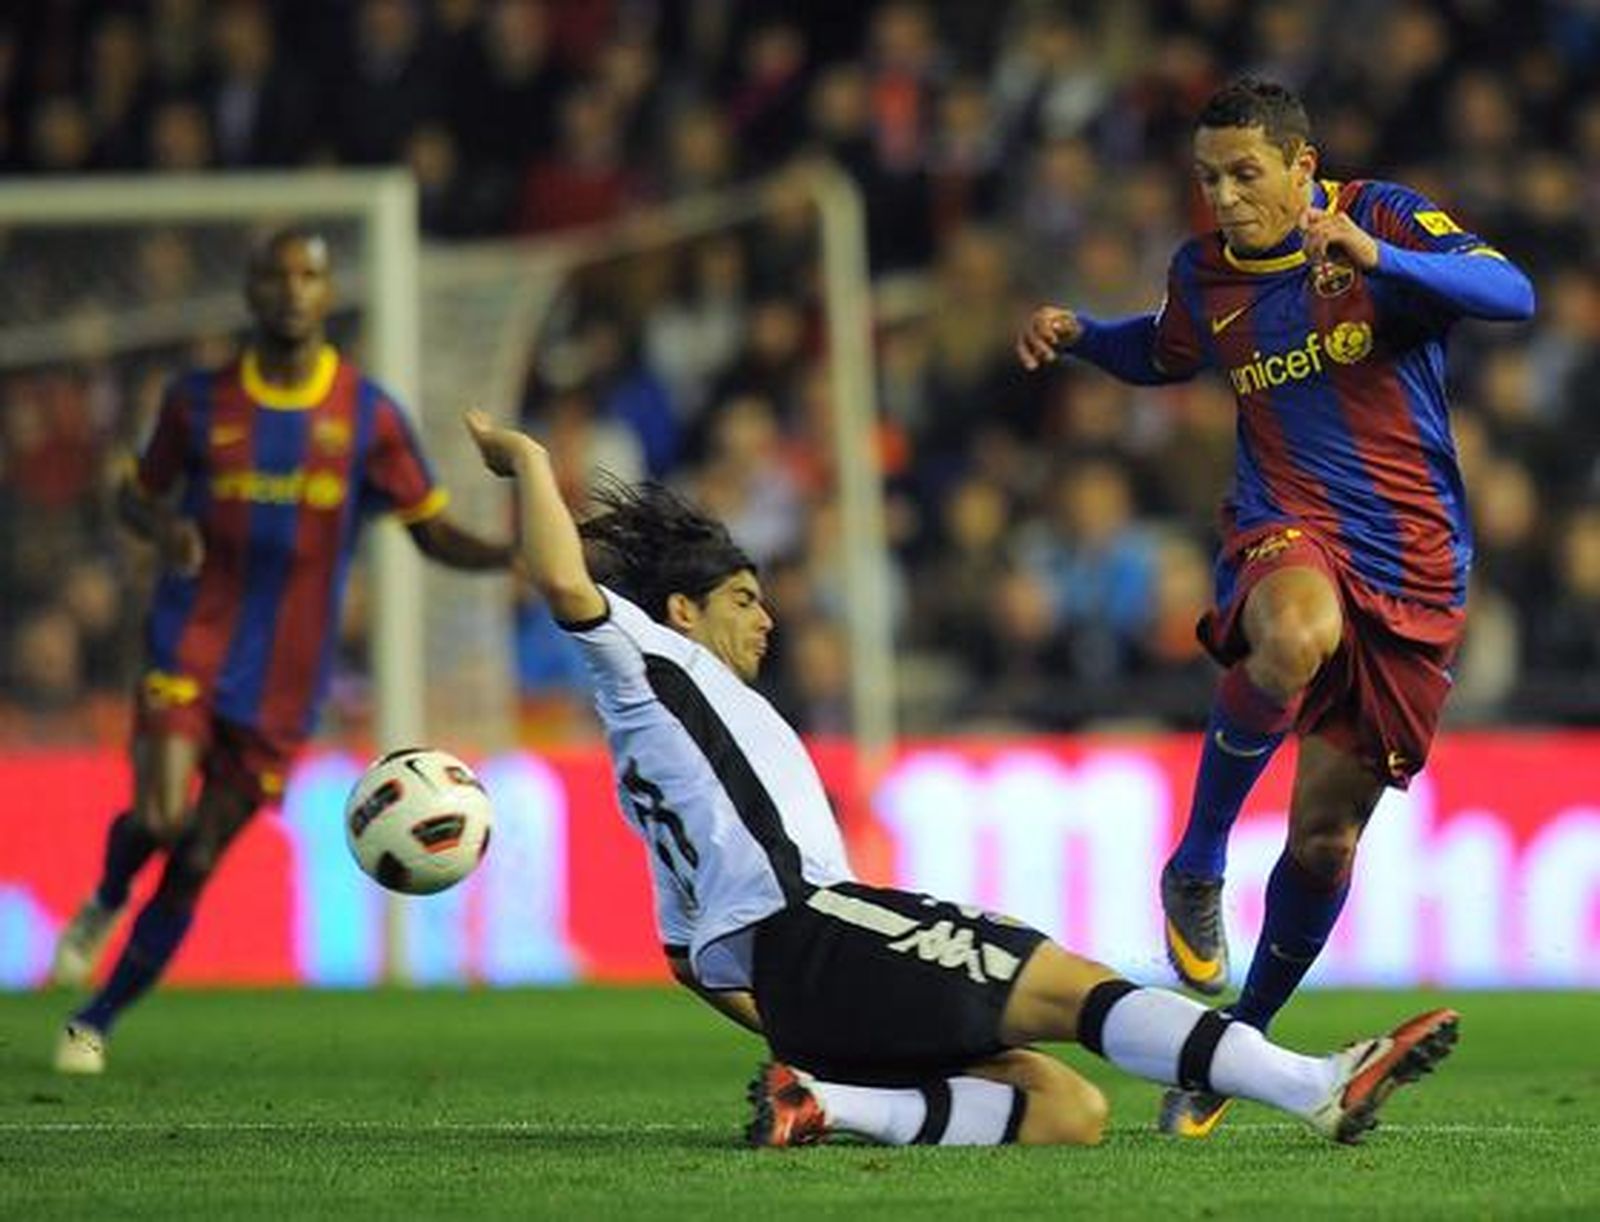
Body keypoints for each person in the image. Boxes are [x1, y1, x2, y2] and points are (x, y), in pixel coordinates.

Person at [463, 408, 1458, 1149]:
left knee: (1065, 1109)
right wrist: (533, 465)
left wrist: (800, 1031)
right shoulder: (652, 661)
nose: (766, 619)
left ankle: (826, 1102)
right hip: (823, 927)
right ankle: (1315, 1084)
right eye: (741, 599)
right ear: (680, 612)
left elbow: (689, 957)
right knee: (1072, 986)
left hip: (795, 989)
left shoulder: (653, 753)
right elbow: (565, 585)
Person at [1015, 77, 1534, 1137]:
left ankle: (1233, 1046)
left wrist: (1378, 257)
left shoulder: (1380, 215)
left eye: (1244, 174)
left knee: (1326, 841)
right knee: (1293, 632)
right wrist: (1082, 335)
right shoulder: (1203, 273)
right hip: (1284, 522)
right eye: (1208, 178)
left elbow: (1511, 291)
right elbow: (1162, 351)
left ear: (1303, 168)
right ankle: (1197, 860)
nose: (1224, 197)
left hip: (1415, 566)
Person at [50, 228, 514, 1073]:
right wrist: (164, 526)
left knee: (196, 858)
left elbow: (432, 530)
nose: (293, 290)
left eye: (309, 275)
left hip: (285, 680)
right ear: (253, 292)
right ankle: (106, 896)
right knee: (160, 817)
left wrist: (515, 556)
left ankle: (95, 1020)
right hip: (191, 637)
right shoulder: (198, 402)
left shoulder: (368, 415)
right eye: (278, 275)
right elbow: (133, 497)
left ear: (327, 293)